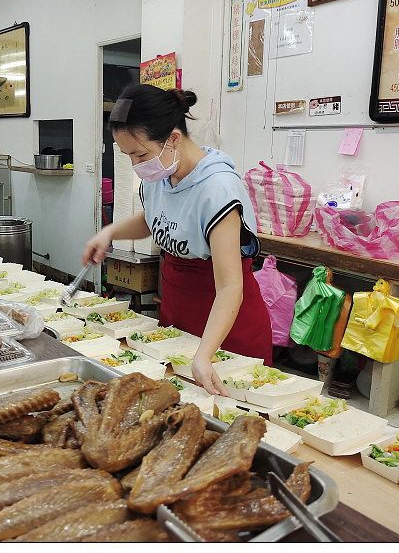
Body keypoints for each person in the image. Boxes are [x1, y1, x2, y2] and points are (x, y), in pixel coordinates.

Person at [83, 84, 272, 396]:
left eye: (140, 153)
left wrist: (205, 354)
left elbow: (229, 287)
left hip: (226, 324)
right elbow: (152, 219)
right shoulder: (162, 175)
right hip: (177, 314)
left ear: (173, 138)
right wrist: (109, 233)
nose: (135, 164)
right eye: (127, 155)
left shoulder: (218, 189)